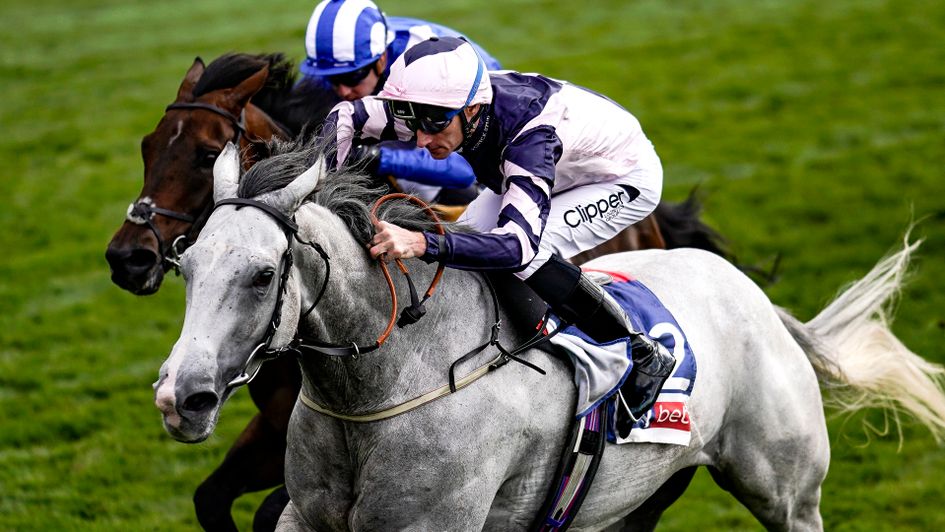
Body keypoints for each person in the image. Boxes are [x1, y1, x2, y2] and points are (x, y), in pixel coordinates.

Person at [324, 36, 675, 421]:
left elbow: (516, 247)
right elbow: (347, 115)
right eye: (414, 123)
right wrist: (324, 190)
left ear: (472, 109)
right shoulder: (439, 106)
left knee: (528, 254)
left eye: (434, 125)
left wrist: (421, 242)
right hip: (555, 164)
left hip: (620, 176)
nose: (422, 140)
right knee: (467, 234)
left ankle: (640, 351)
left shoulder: (529, 138)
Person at [301, 0, 502, 204]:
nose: (343, 90)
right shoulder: (340, 61)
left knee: (405, 166)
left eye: (352, 77)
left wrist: (376, 157)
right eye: (333, 79)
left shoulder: (426, 73)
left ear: (381, 60)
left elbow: (462, 170)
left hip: (479, 125)